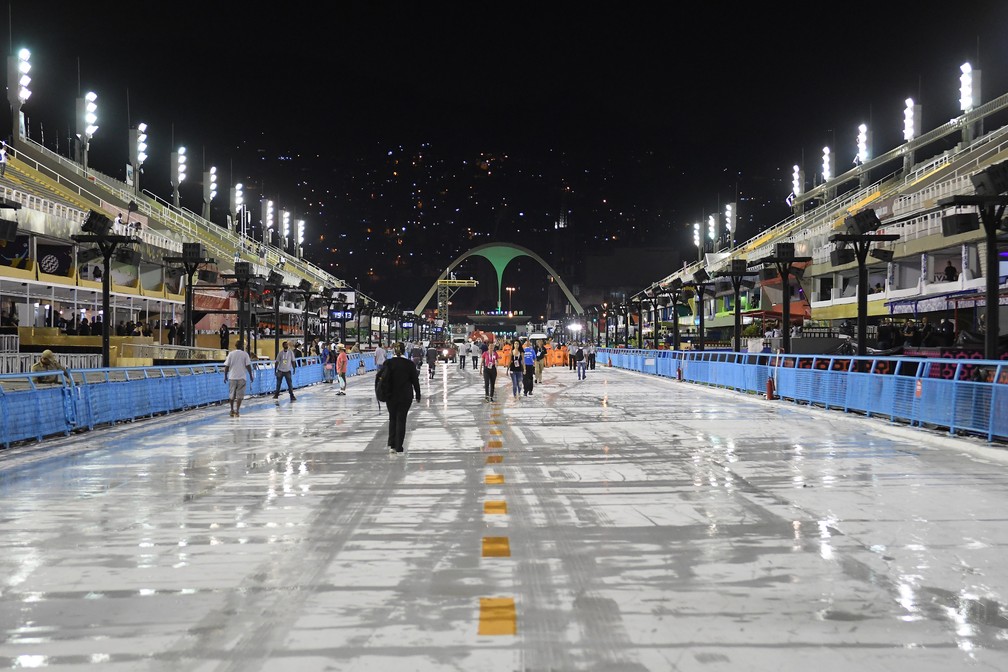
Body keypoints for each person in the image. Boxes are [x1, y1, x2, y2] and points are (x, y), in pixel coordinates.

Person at [383, 342, 421, 454]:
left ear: (394, 351)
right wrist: (418, 394)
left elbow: (384, 380)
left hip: (391, 396)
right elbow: (415, 381)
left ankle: (392, 444)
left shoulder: (388, 363)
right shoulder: (409, 364)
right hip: (405, 396)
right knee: (401, 419)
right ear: (404, 351)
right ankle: (399, 446)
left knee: (392, 418)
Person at [223, 339, 254, 417]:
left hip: (232, 377)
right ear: (242, 346)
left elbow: (226, 366)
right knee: (240, 396)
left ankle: (231, 410)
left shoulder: (231, 354)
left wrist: (225, 376)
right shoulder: (245, 354)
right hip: (242, 378)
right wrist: (251, 375)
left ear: (235, 346)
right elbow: (248, 366)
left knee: (232, 395)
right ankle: (237, 411)